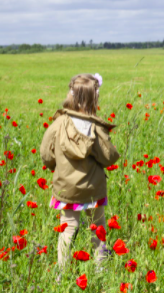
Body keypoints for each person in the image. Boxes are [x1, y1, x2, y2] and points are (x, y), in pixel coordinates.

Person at [40, 73, 120, 271]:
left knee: (67, 227)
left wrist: (57, 169)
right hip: (93, 188)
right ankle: (100, 268)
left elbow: (45, 154)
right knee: (98, 225)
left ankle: (61, 274)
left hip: (66, 188)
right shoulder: (95, 127)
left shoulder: (58, 124)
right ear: (94, 98)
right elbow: (109, 157)